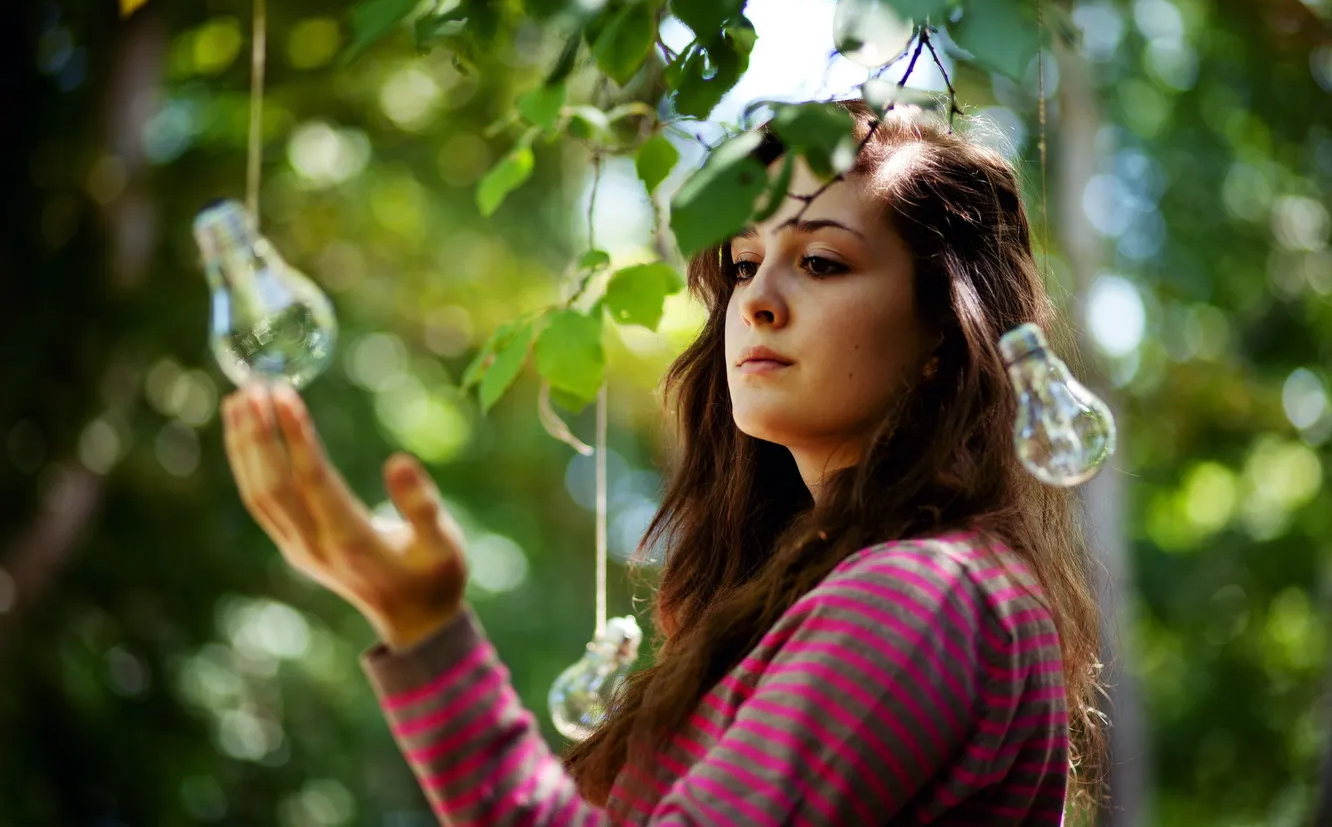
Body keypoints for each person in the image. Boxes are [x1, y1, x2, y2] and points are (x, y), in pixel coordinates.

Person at [221, 101, 1106, 825]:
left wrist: (428, 636)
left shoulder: (924, 596)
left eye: (824, 262)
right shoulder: (852, 588)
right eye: (745, 262)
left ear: (942, 339)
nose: (757, 301)